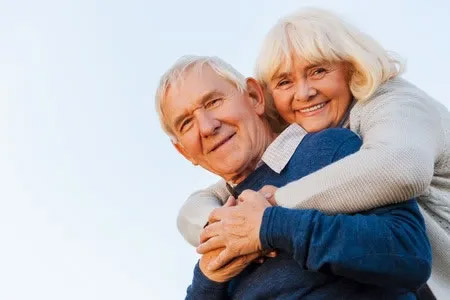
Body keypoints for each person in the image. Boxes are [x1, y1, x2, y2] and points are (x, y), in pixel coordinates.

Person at [177, 8, 450, 297]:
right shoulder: (313, 132)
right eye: (284, 82)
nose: (304, 92)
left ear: (352, 66)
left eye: (318, 70)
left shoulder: (395, 104)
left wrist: (273, 211)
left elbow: (400, 168)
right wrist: (225, 225)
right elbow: (202, 202)